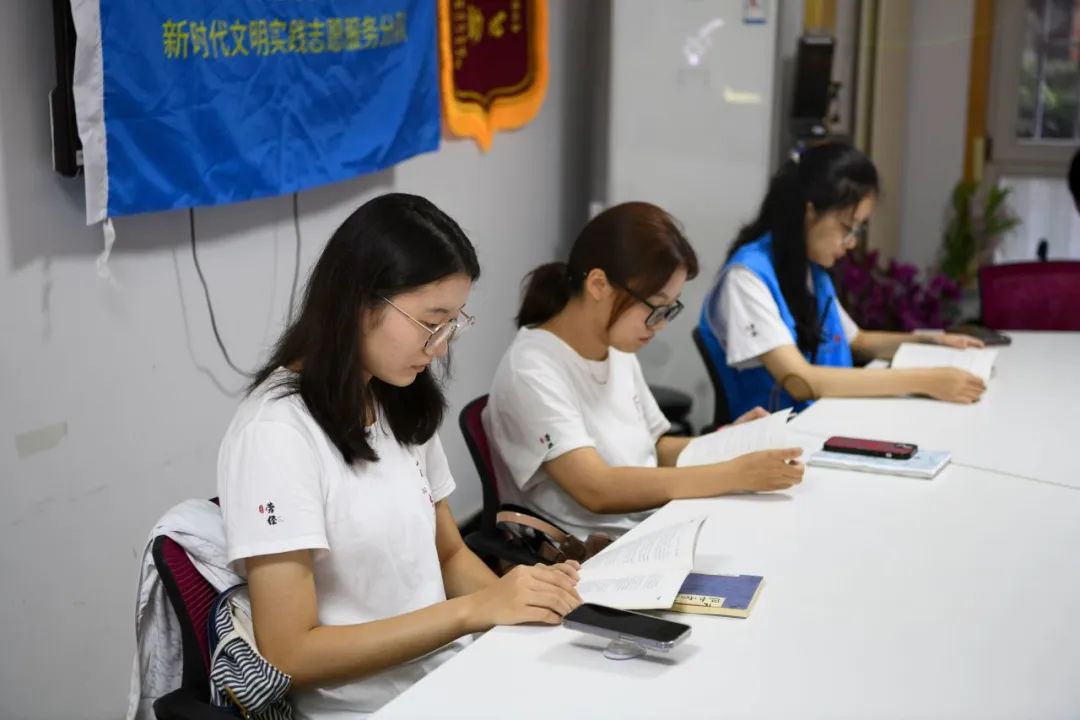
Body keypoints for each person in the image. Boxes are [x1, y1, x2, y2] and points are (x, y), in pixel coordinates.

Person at [217, 194, 581, 718]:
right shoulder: (275, 434)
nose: (440, 346)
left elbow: (449, 555)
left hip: (449, 676)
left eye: (453, 322)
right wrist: (471, 613)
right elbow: (289, 653)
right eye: (432, 322)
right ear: (359, 302)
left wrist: (524, 607)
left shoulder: (394, 397)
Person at [484, 202, 805, 541]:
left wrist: (727, 444)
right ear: (598, 285)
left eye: (669, 309)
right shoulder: (532, 369)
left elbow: (654, 448)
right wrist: (734, 473)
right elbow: (597, 489)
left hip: (646, 526)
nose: (660, 325)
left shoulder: (615, 345)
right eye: (655, 308)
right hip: (588, 554)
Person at [698, 143, 986, 419]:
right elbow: (800, 380)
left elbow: (858, 340)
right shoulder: (745, 278)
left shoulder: (809, 270)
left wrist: (932, 340)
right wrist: (926, 381)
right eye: (847, 227)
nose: (851, 243)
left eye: (857, 230)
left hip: (825, 419)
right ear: (809, 213)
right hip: (780, 437)